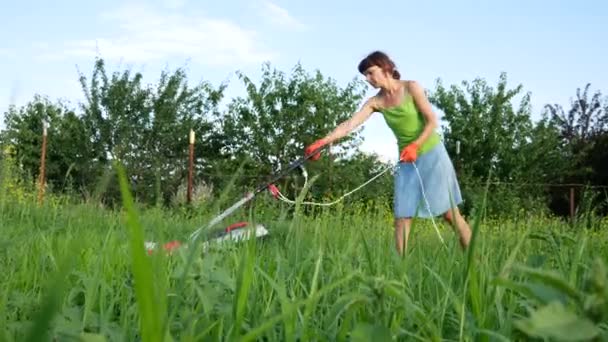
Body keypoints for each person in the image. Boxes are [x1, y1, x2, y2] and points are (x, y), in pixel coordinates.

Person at [304, 50, 472, 255]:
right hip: (406, 160)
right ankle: (400, 269)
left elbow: (431, 121)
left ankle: (476, 262)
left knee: (449, 214)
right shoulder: (376, 102)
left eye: (370, 73)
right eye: (365, 75)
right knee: (403, 215)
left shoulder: (411, 88)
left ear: (385, 68)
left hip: (431, 153)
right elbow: (349, 125)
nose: (368, 79)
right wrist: (323, 141)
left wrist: (416, 146)